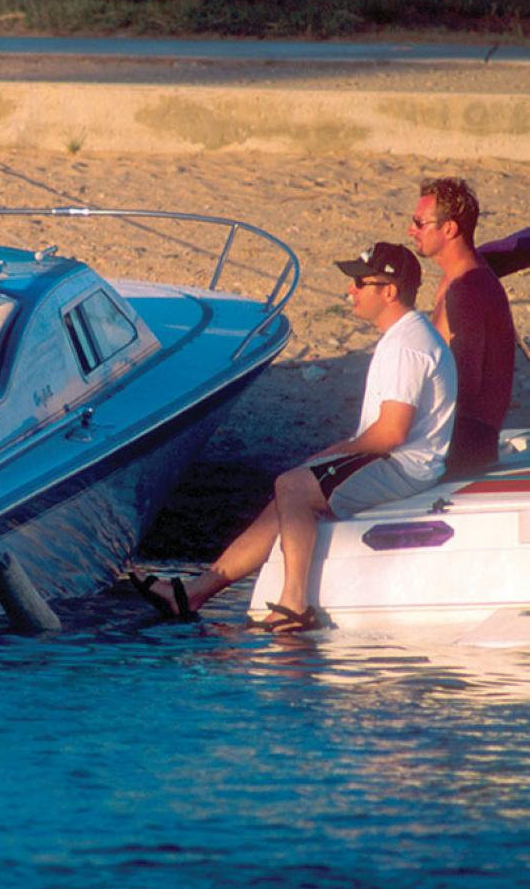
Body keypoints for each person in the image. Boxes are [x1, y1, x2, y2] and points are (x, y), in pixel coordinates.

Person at [131, 242, 456, 633]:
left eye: (359, 282)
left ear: (389, 292)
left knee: (293, 485)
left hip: (403, 467)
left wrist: (329, 454)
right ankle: (193, 593)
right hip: (394, 459)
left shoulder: (408, 346)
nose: (349, 291)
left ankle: (294, 603)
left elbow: (390, 434)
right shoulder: (405, 336)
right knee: (288, 492)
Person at [407, 177, 516, 477]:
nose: (411, 230)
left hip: (463, 445)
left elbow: (463, 383)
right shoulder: (458, 277)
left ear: (449, 229)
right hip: (460, 435)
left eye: (419, 222)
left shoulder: (467, 290)